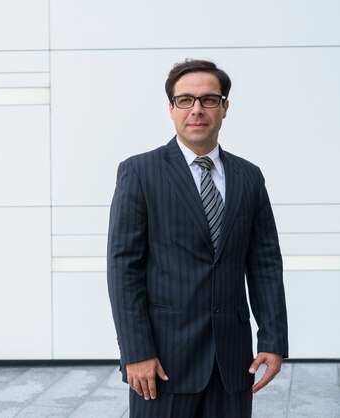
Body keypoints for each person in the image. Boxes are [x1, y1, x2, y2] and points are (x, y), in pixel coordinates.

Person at [107, 59, 288, 418]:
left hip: (233, 361)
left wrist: (272, 339)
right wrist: (136, 351)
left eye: (208, 100)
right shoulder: (139, 172)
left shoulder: (249, 176)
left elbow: (265, 262)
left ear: (224, 107)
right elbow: (123, 268)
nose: (197, 110)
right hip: (163, 362)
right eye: (186, 100)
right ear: (171, 109)